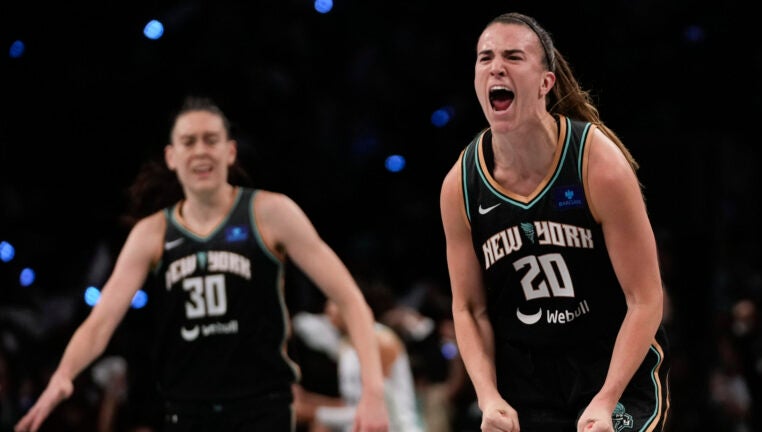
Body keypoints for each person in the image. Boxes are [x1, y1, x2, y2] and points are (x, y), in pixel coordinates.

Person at [14, 96, 389, 432]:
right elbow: (100, 323)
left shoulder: (270, 213)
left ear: (230, 152)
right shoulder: (151, 233)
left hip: (262, 410)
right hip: (186, 412)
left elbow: (351, 300)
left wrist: (373, 392)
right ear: (171, 157)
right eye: (188, 142)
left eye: (211, 140)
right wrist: (64, 375)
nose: (200, 151)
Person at [439, 12, 671, 432]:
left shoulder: (597, 164)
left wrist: (606, 400)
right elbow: (469, 309)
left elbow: (646, 298)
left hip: (611, 364)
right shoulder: (461, 185)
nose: (496, 66)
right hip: (527, 379)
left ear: (546, 83)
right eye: (485, 57)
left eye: (513, 56)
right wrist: (488, 397)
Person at [292, 295, 424, 432]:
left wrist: (314, 413)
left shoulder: (381, 340)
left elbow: (380, 407)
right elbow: (351, 403)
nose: (328, 309)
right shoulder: (345, 344)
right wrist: (307, 400)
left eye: (334, 303)